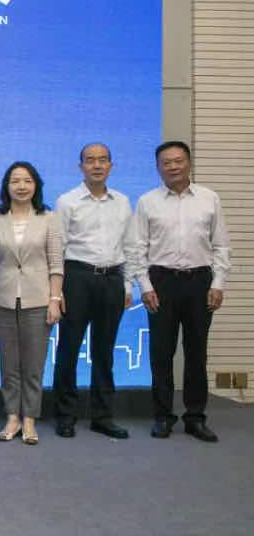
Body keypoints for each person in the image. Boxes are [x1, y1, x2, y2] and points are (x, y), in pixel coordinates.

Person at [126, 141, 230, 442]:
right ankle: (162, 416)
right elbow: (137, 248)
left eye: (178, 160)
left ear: (189, 162)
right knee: (161, 353)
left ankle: (195, 417)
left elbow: (221, 244)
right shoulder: (147, 201)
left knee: (197, 353)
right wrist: (145, 286)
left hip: (200, 281)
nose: (173, 166)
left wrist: (218, 283)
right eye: (166, 162)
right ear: (158, 167)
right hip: (161, 282)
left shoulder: (209, 198)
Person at [52, 143, 132, 439]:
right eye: (90, 160)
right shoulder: (67, 201)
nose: (97, 165)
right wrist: (57, 290)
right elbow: (57, 248)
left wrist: (128, 285)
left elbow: (130, 245)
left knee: (104, 351)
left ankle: (103, 416)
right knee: (68, 349)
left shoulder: (122, 201)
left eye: (103, 160)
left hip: (112, 280)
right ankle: (65, 415)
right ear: (81, 166)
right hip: (77, 278)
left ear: (111, 165)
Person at [0, 161, 64, 446]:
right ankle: (12, 418)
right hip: (3, 300)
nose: (21, 186)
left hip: (38, 299)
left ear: (36, 185)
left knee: (33, 364)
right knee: (9, 365)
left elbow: (56, 263)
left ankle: (29, 419)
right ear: (6, 186)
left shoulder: (49, 218)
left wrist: (55, 300)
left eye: (27, 181)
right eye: (15, 181)